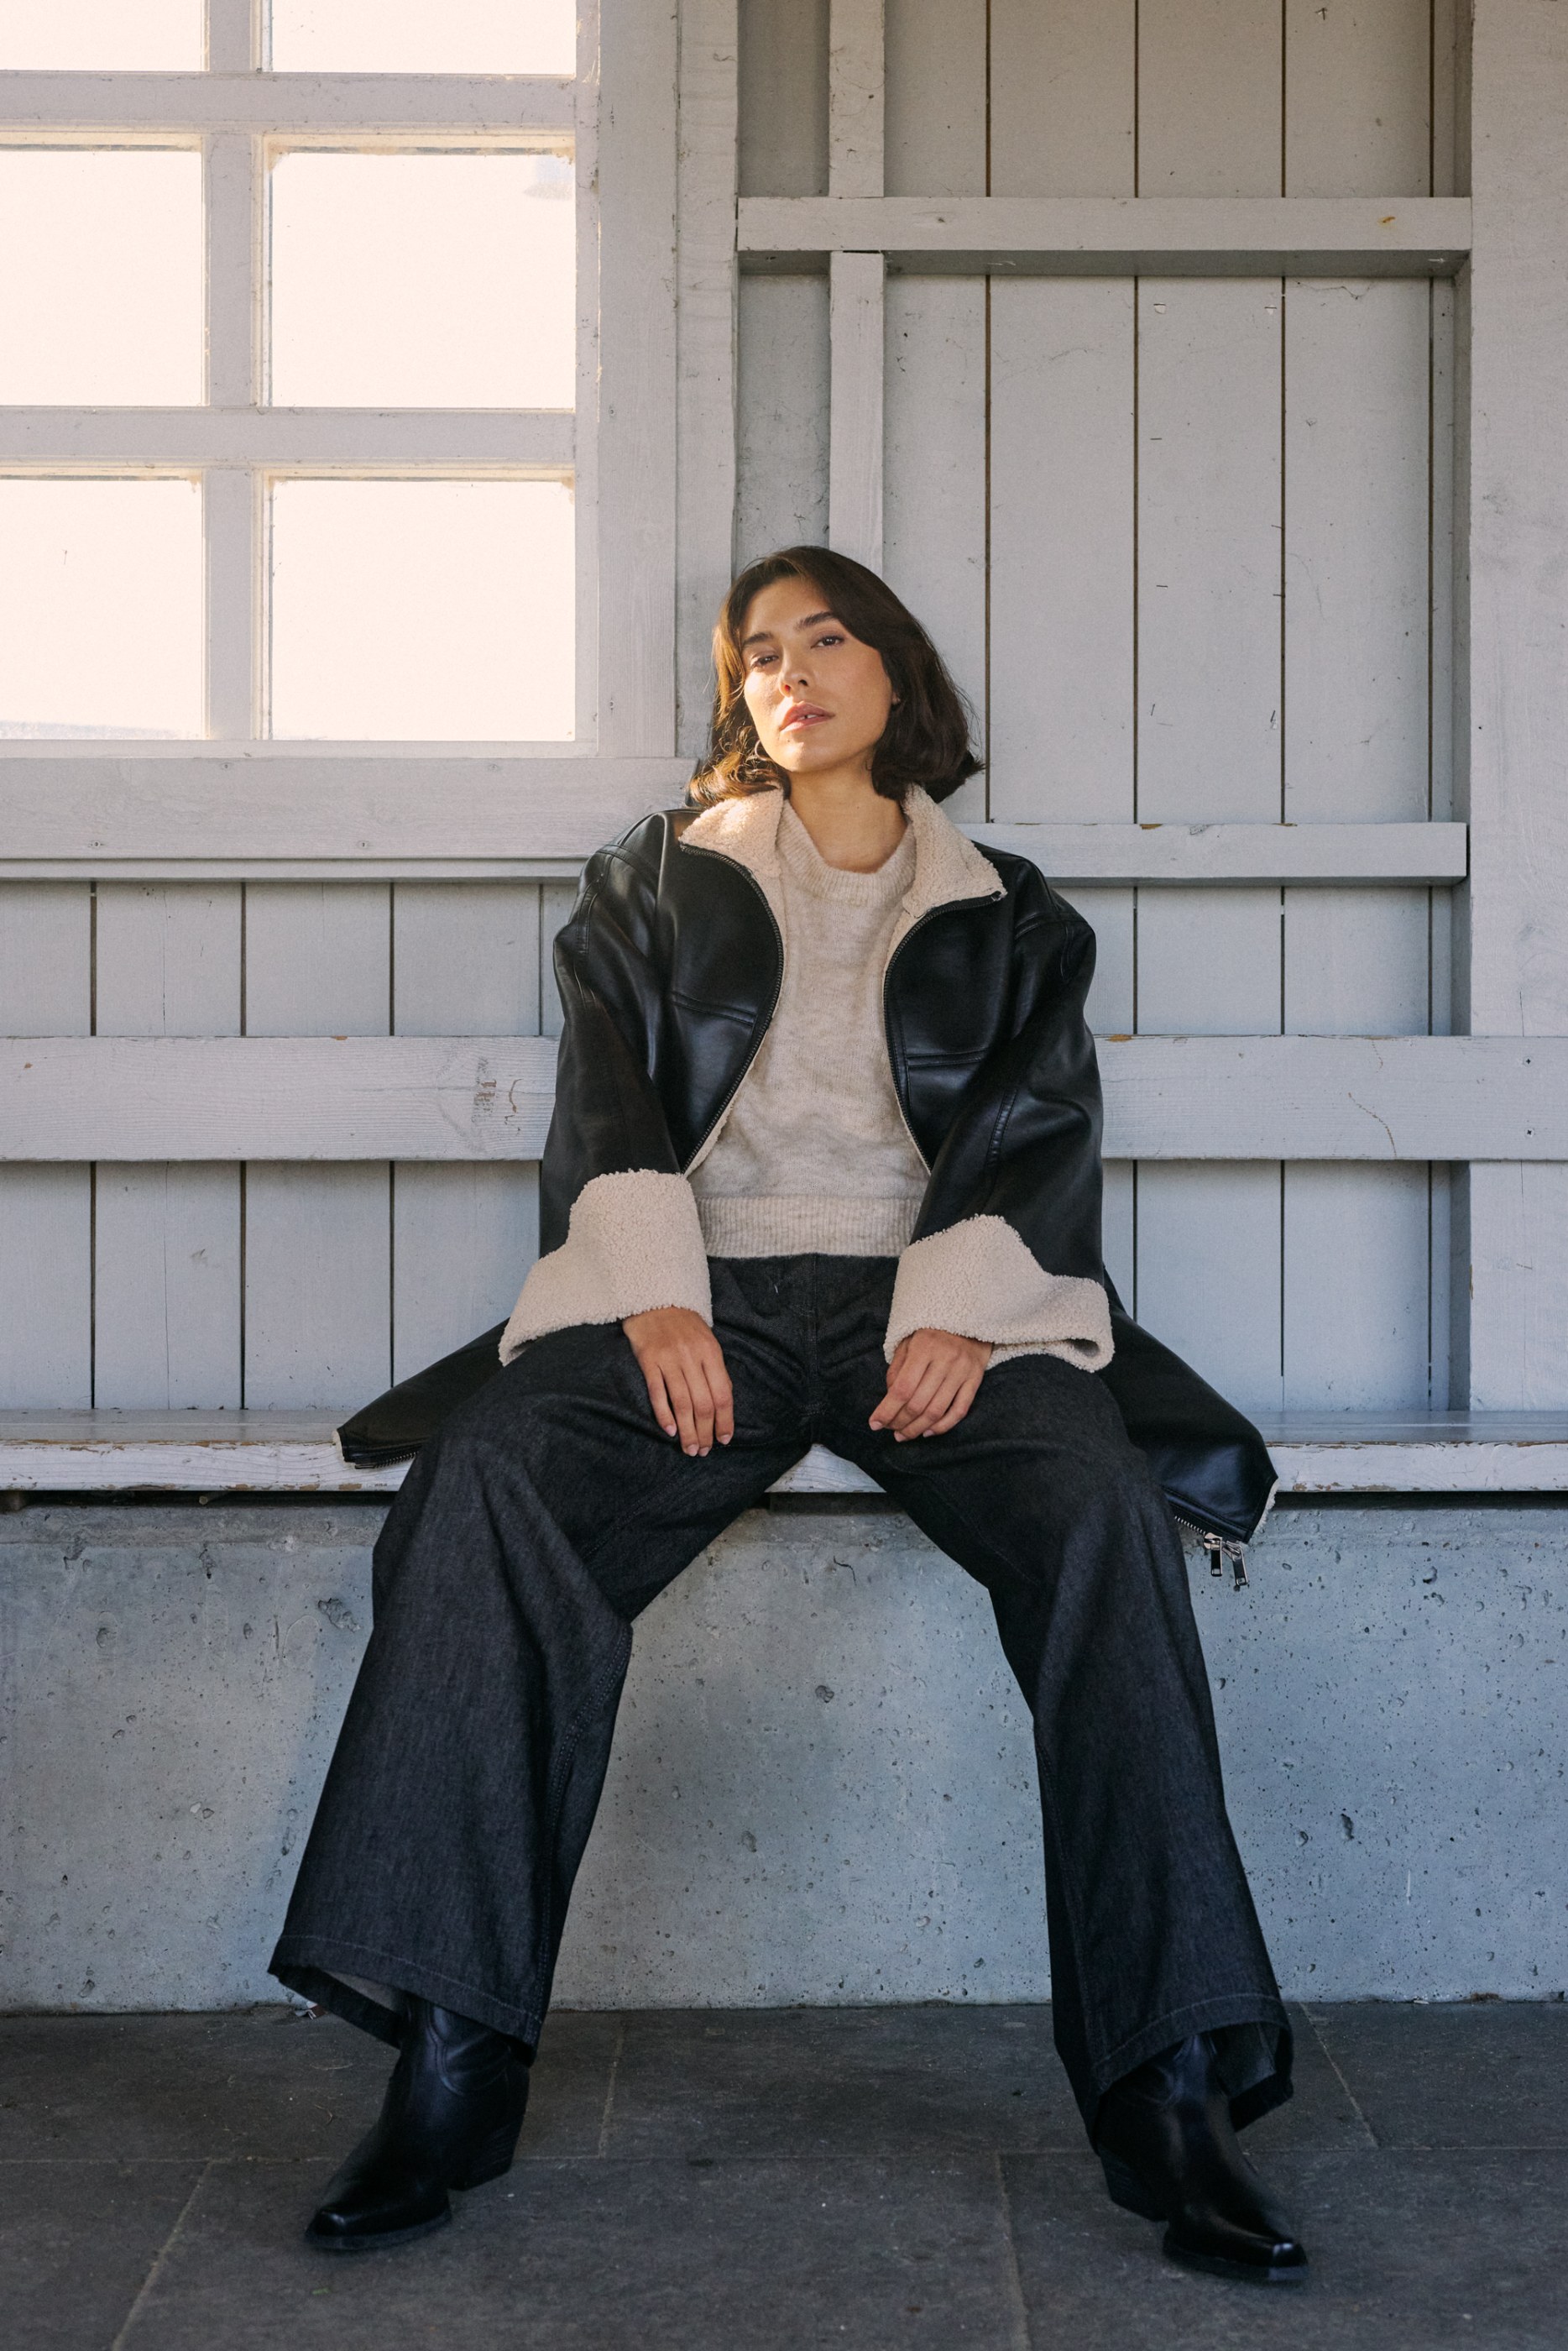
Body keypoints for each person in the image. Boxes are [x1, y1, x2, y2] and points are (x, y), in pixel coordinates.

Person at [270, 547, 1306, 2283]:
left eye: (827, 637)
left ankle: (1167, 2088)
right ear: (735, 694)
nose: (792, 669)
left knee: (1108, 1522)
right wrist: (653, 1286)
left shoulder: (1011, 910)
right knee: (491, 1480)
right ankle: (447, 2066)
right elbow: (605, 1098)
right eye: (759, 650)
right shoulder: (654, 877)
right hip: (707, 1295)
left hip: (931, 1311)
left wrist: (967, 1314)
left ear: (899, 674)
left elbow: (1033, 1135)